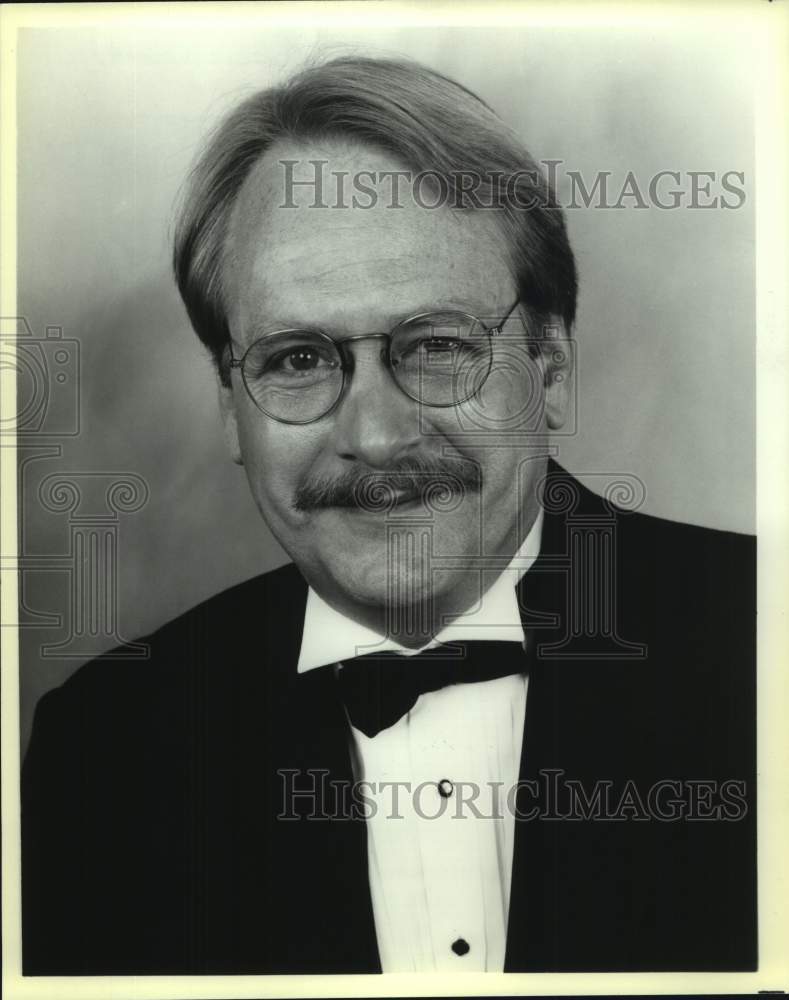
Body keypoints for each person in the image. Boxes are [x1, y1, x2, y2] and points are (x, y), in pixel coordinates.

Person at [21, 55, 756, 975]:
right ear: (229, 413)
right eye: (296, 359)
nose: (373, 435)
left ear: (551, 369)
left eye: (438, 346)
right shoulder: (104, 750)